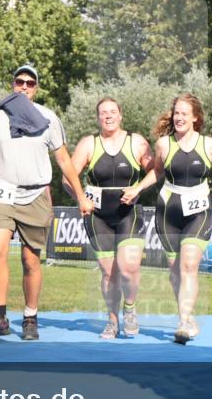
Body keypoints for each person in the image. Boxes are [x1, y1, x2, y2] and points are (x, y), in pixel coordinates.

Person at [0, 64, 93, 340]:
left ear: (36, 88)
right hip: (3, 193)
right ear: (12, 84)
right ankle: (1, 317)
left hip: (36, 194)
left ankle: (30, 317)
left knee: (30, 260)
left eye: (30, 82)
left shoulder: (49, 118)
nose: (24, 86)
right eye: (19, 81)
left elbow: (63, 159)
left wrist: (81, 196)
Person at [122, 93, 212, 344]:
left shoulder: (209, 145)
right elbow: (157, 172)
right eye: (176, 113)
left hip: (199, 209)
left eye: (184, 113)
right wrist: (137, 189)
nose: (179, 117)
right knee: (175, 271)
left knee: (189, 264)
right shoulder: (163, 144)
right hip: (168, 210)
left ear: (195, 117)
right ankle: (188, 315)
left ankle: (182, 321)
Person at [64, 97, 153, 339]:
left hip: (128, 213)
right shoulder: (88, 144)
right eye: (103, 113)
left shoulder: (136, 141)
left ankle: (130, 308)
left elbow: (156, 171)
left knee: (128, 267)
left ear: (121, 115)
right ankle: (112, 321)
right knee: (108, 272)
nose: (108, 116)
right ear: (98, 118)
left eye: (112, 112)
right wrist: (81, 198)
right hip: (98, 216)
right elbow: (67, 177)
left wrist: (138, 189)